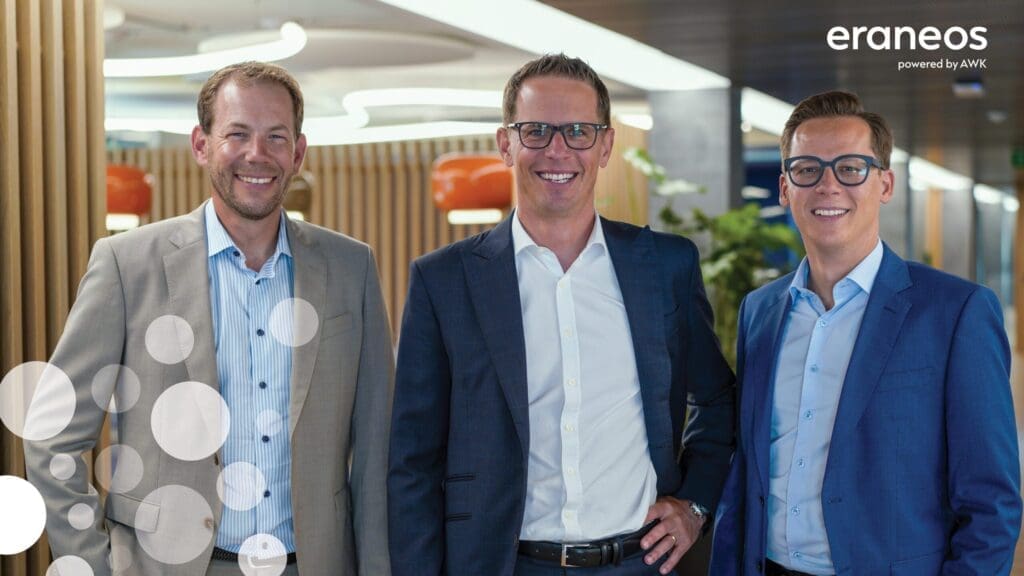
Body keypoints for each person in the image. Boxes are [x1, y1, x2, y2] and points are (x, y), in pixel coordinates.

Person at [24, 61, 393, 575]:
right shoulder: (128, 265)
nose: (257, 154)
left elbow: (378, 451)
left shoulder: (352, 267)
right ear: (201, 145)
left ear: (298, 153)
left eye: (276, 137)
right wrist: (93, 564)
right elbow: (53, 433)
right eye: (237, 134)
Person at [387, 53, 735, 576]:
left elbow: (716, 399)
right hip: (503, 565)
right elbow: (412, 459)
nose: (557, 150)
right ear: (506, 144)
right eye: (536, 131)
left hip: (640, 563)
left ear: (605, 145)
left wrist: (695, 505)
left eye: (578, 131)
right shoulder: (444, 281)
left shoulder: (665, 266)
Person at [710, 90, 1021, 575]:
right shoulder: (760, 311)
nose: (828, 186)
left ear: (885, 184)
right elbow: (747, 473)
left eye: (851, 168)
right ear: (785, 187)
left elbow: (992, 504)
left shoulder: (955, 313)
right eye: (807, 169)